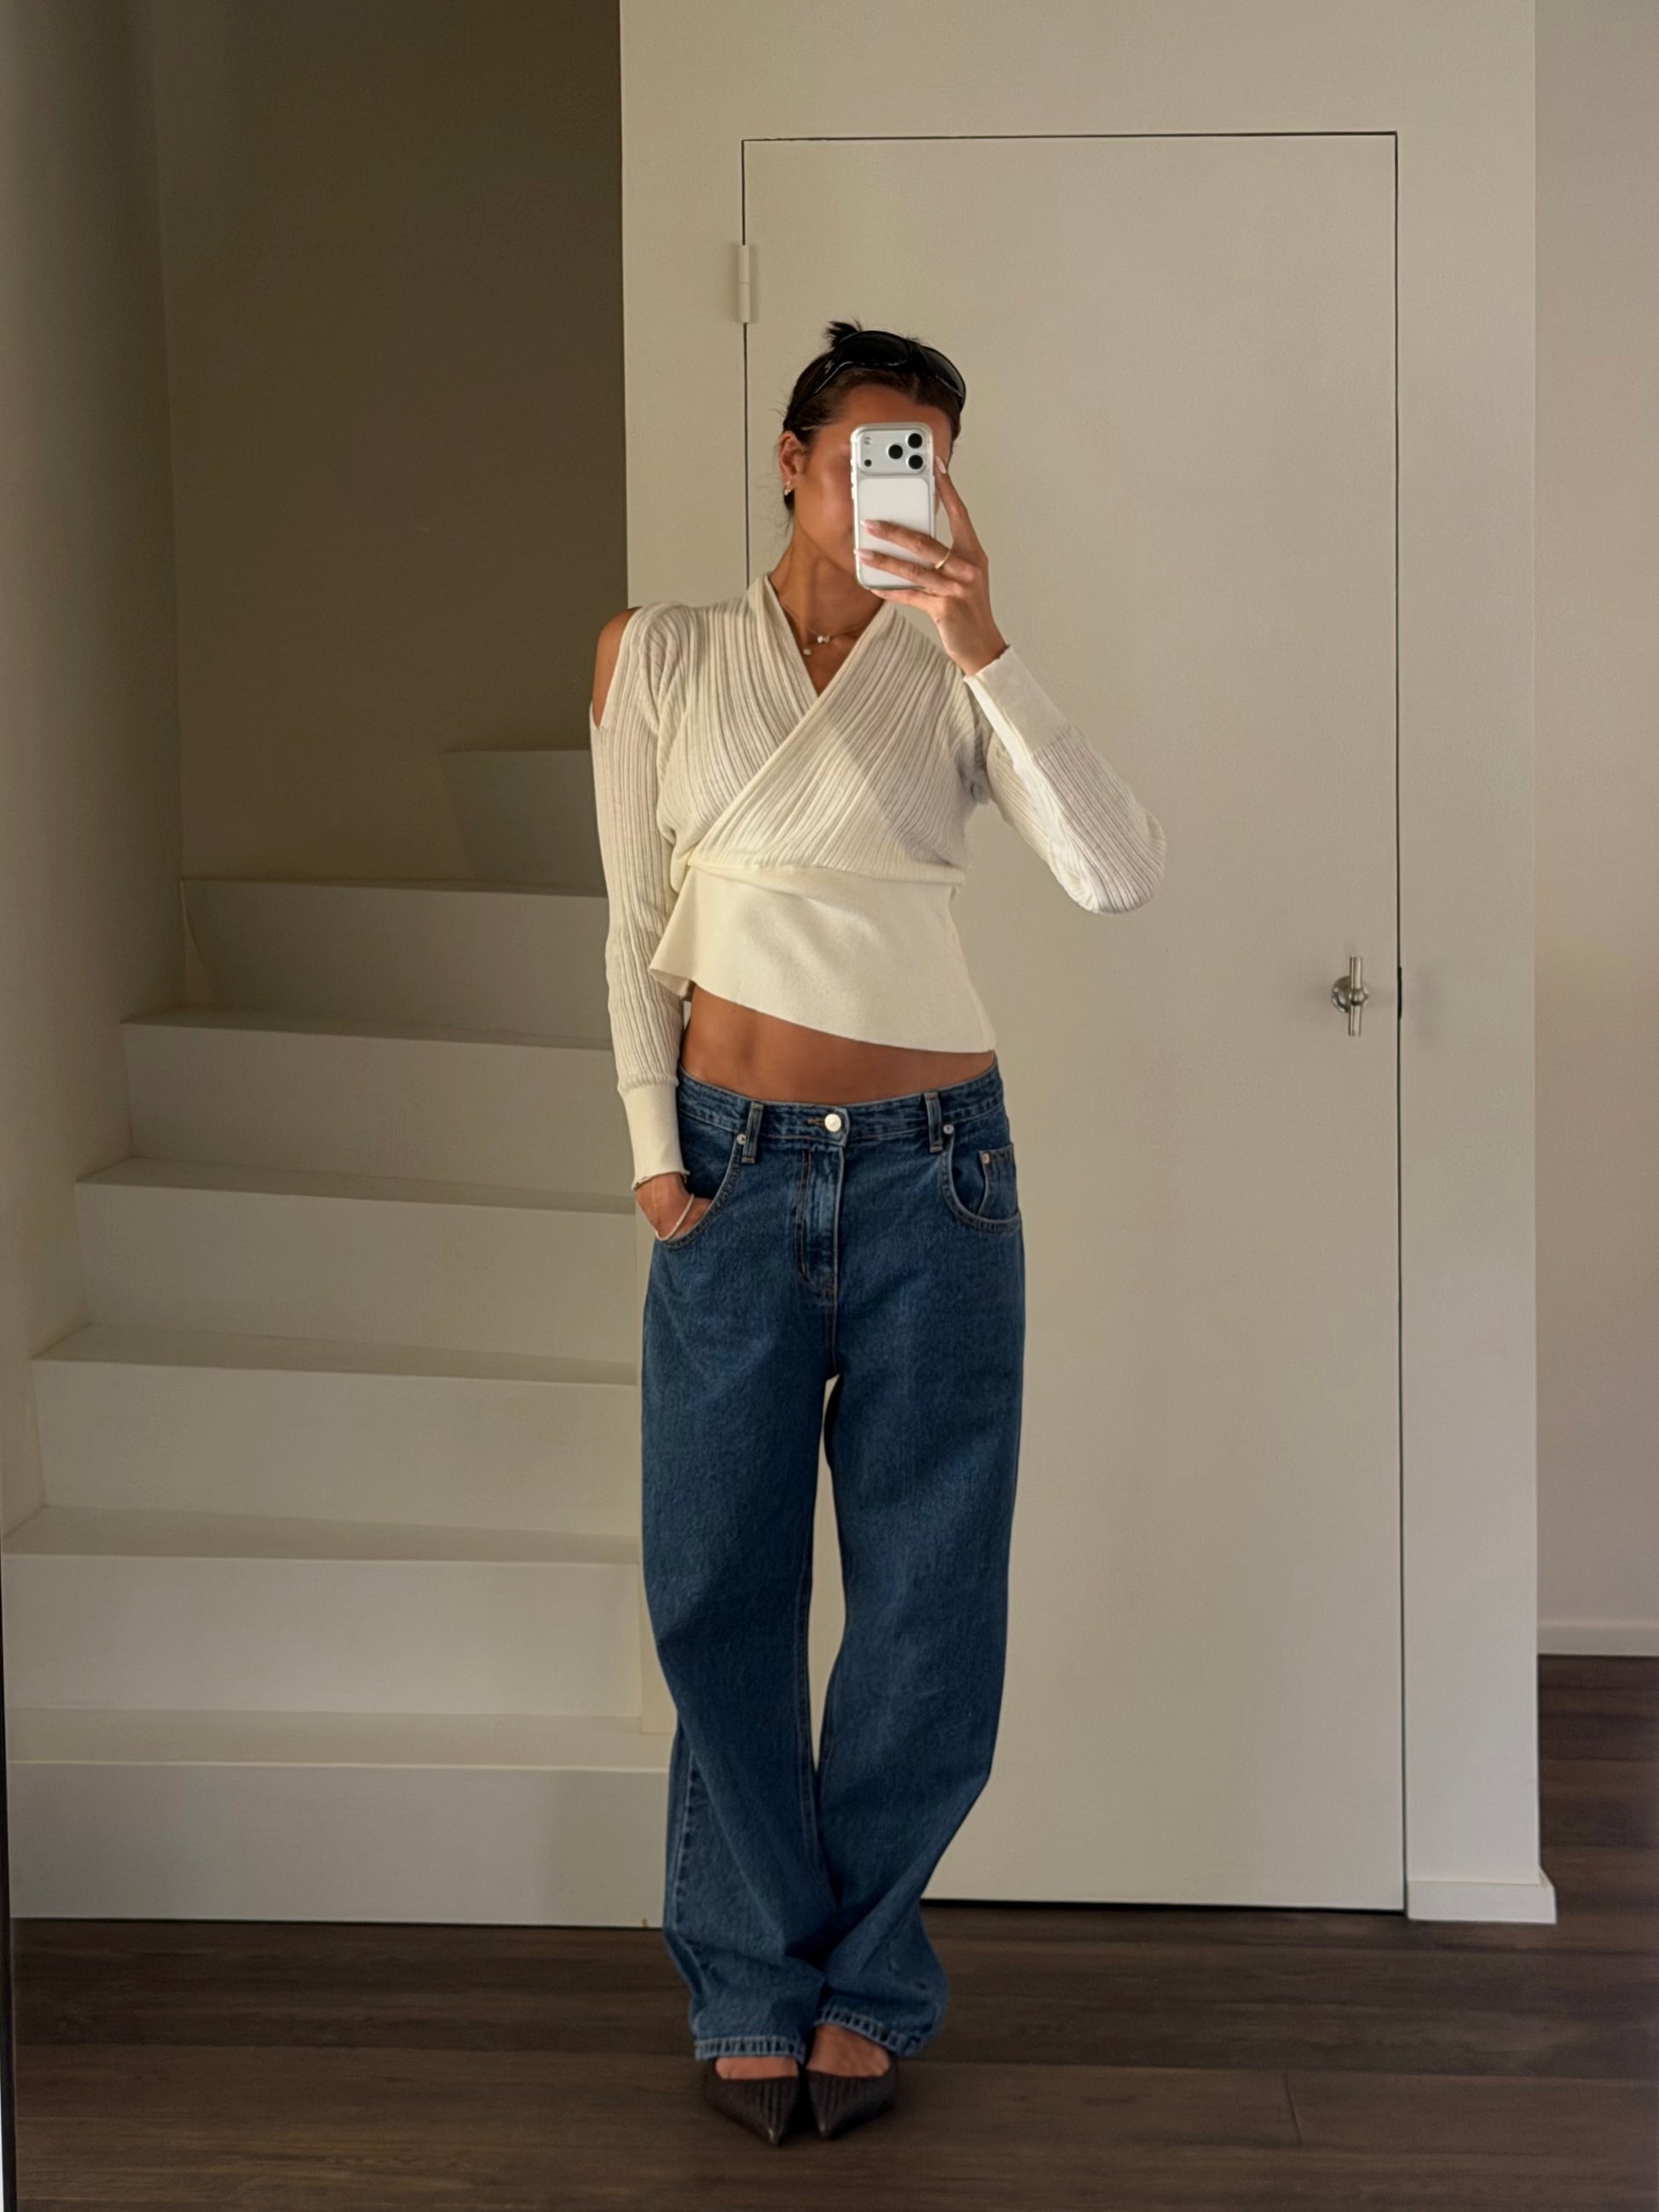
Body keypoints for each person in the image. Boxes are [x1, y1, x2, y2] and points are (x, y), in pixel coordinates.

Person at [588, 321, 1166, 2145]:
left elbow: (1116, 870)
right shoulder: (660, 652)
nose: (885, 488)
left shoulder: (949, 665)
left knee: (926, 1596)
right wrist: (654, 1160)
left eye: (921, 459)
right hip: (731, 1165)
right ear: (791, 459)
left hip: (939, 1172)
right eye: (859, 455)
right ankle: (749, 1976)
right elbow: (627, 925)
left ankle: (868, 1977)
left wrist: (979, 634)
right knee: (716, 1584)